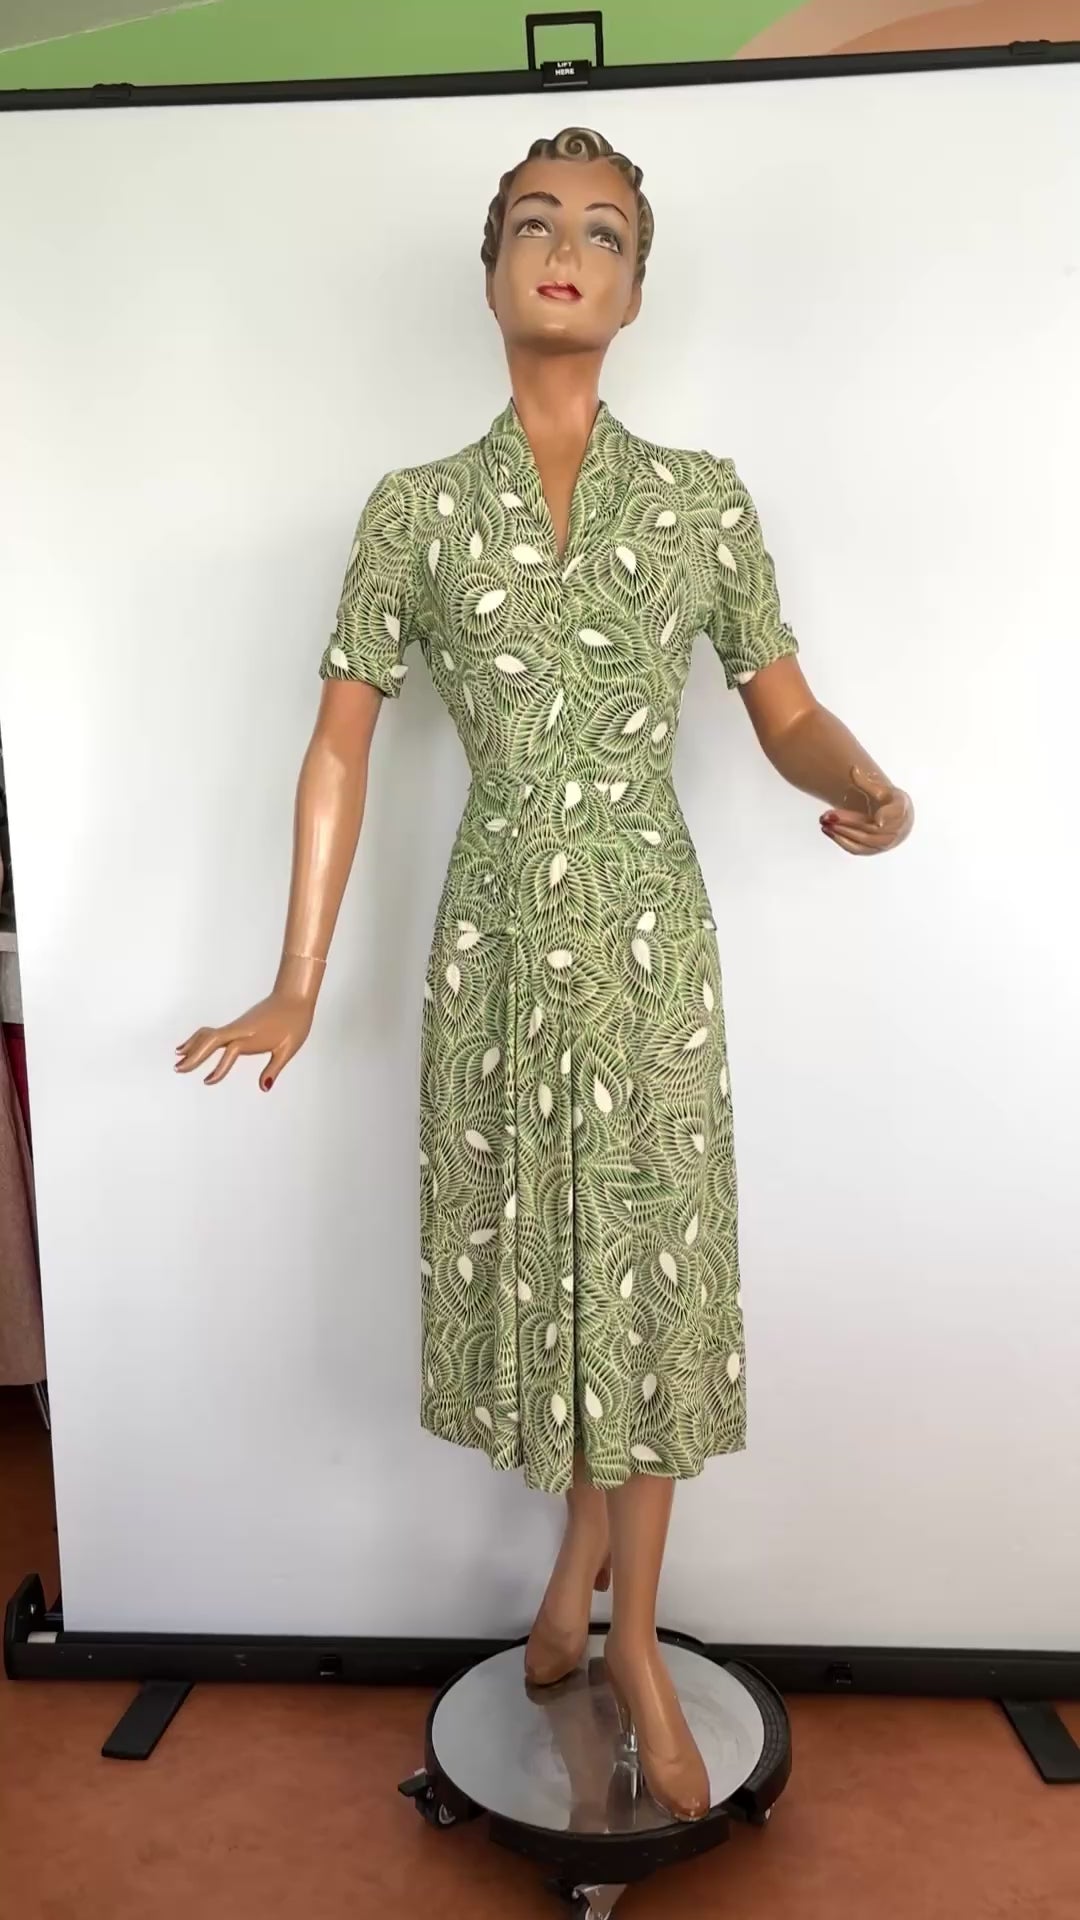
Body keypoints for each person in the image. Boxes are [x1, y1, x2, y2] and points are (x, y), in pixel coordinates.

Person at [177, 126, 913, 1822]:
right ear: (493, 267)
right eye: (534, 224)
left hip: (649, 946)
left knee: (645, 1284)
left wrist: (867, 784)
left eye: (602, 233)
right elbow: (340, 743)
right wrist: (296, 977)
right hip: (497, 943)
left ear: (637, 288)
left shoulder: (702, 500)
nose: (566, 251)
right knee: (547, 1275)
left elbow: (784, 708)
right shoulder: (417, 512)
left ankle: (632, 1633)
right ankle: (577, 1552)